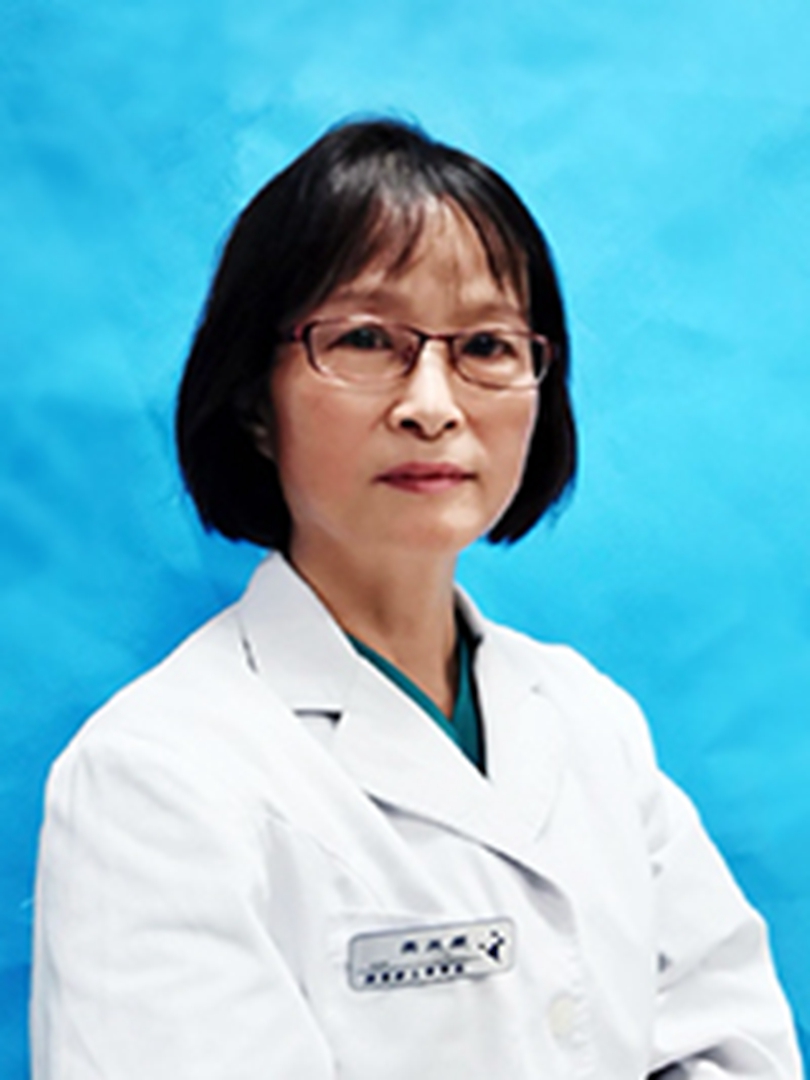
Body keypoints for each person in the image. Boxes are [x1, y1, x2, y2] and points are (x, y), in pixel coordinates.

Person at [31, 118, 802, 1079]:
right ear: (255, 404)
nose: (432, 405)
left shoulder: (587, 720)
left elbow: (732, 1050)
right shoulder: (156, 775)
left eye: (486, 345)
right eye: (366, 340)